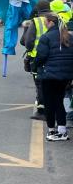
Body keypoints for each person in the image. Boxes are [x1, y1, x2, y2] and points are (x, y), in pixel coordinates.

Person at [34, 12, 73, 141]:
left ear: (51, 22)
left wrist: (35, 67)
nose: (45, 23)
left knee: (49, 103)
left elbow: (41, 57)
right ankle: (62, 131)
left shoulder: (46, 37)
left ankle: (51, 130)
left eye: (46, 21)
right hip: (66, 75)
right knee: (59, 101)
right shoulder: (68, 36)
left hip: (49, 75)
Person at [21, 0, 52, 119]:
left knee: (40, 83)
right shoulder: (57, 19)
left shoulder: (36, 21)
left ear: (38, 9)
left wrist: (29, 50)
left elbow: (27, 42)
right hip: (53, 57)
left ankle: (41, 110)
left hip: (37, 57)